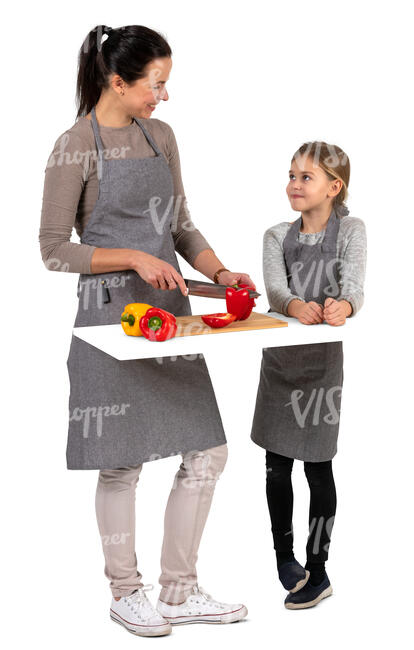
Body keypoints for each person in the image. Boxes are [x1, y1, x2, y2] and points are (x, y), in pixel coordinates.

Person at [39, 24, 252, 636]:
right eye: (156, 85)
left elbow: (180, 225)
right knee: (121, 464)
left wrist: (219, 269)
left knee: (208, 450)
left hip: (172, 318)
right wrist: (132, 256)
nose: (163, 96)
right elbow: (54, 251)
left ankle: (180, 591)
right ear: (117, 81)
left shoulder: (161, 136)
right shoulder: (74, 145)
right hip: (111, 319)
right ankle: (126, 592)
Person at [250, 141, 367, 609]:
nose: (294, 185)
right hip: (280, 363)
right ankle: (284, 557)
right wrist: (297, 305)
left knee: (319, 467)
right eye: (292, 175)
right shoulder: (276, 235)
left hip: (322, 368)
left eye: (306, 177)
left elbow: (355, 286)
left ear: (334, 188)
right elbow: (277, 291)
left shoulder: (352, 230)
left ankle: (318, 569)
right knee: (277, 468)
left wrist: (345, 305)